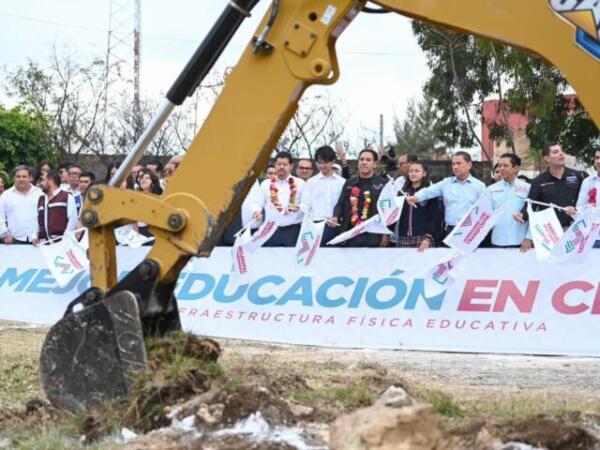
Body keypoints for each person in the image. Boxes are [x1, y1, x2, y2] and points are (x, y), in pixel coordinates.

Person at [407, 151, 487, 239]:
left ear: (469, 165)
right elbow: (428, 191)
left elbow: (485, 210)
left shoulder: (479, 186)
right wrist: (416, 197)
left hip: (470, 232)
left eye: (459, 163)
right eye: (453, 164)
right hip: (449, 231)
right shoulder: (446, 183)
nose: (455, 167)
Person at [331, 149, 388, 247]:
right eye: (361, 159)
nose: (364, 162)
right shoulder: (350, 183)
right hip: (351, 234)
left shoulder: (383, 184)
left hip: (374, 234)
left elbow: (388, 211)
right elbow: (340, 203)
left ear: (375, 164)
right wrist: (335, 217)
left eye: (368, 160)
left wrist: (386, 234)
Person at [520, 142, 584, 229]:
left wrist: (576, 209)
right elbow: (530, 205)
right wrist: (522, 215)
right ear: (547, 158)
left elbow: (585, 202)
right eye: (555, 152)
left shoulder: (576, 176)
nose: (561, 154)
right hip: (551, 231)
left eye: (561, 151)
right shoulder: (538, 181)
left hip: (575, 228)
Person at [251, 151, 305, 246]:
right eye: (279, 164)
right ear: (275, 165)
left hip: (292, 231)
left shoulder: (300, 183)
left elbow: (307, 204)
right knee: (269, 259)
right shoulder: (266, 184)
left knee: (290, 260)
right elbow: (257, 202)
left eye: (285, 164)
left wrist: (299, 207)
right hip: (269, 230)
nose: (282, 167)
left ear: (291, 166)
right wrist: (256, 211)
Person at [391, 161, 442, 250]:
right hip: (403, 239)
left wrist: (428, 238)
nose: (413, 174)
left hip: (423, 239)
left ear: (424, 173)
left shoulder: (429, 193)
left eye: (416, 171)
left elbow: (435, 217)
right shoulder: (401, 193)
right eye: (411, 171)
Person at [301, 146, 346, 245]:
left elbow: (344, 205)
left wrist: (338, 218)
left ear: (332, 161)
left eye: (325, 162)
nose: (322, 166)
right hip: (316, 227)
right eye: (319, 162)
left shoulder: (342, 182)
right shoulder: (311, 182)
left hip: (336, 226)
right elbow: (305, 205)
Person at [487, 153, 531, 250]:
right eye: (499, 165)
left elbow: (533, 215)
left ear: (516, 168)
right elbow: (485, 214)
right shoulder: (490, 189)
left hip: (520, 242)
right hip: (498, 241)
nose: (501, 168)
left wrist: (529, 238)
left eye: (505, 165)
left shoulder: (527, 188)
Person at [0, 166, 43, 244]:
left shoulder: (39, 193)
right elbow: (0, 217)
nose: (21, 179)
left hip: (37, 239)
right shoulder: (6, 195)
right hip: (13, 240)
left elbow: (43, 216)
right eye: (18, 176)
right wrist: (5, 235)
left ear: (31, 178)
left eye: (24, 176)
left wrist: (36, 234)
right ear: (14, 178)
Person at [33, 170, 78, 244]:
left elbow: (73, 220)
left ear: (50, 181)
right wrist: (34, 235)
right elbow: (37, 220)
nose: (41, 183)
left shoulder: (67, 197)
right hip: (43, 244)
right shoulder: (41, 199)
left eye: (43, 180)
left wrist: (65, 239)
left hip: (61, 244)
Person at [576, 148, 600, 247]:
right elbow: (579, 208)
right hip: (592, 238)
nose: (599, 161)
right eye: (597, 158)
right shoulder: (588, 181)